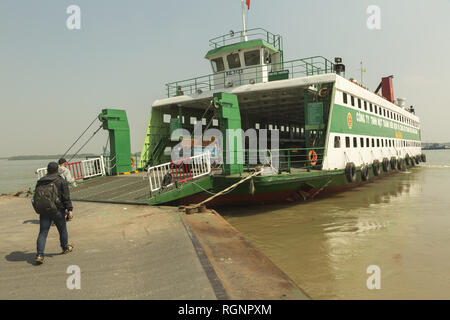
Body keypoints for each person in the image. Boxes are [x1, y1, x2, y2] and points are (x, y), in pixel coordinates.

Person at [34, 162, 73, 265]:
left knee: (43, 233)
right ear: (57, 170)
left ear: (47, 170)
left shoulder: (40, 181)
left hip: (44, 211)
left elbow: (36, 196)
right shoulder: (61, 181)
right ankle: (65, 248)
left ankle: (39, 255)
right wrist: (69, 210)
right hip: (58, 211)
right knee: (62, 230)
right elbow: (66, 197)